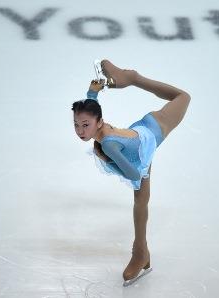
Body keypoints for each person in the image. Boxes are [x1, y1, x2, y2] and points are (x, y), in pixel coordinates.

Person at [71, 60, 191, 285]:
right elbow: (91, 103)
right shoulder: (95, 118)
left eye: (85, 125)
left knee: (183, 97)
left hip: (152, 132)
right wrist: (92, 91)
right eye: (77, 125)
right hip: (137, 140)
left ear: (99, 122)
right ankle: (141, 252)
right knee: (141, 201)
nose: (80, 130)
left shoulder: (108, 145)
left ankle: (134, 78)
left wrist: (109, 159)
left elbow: (134, 175)